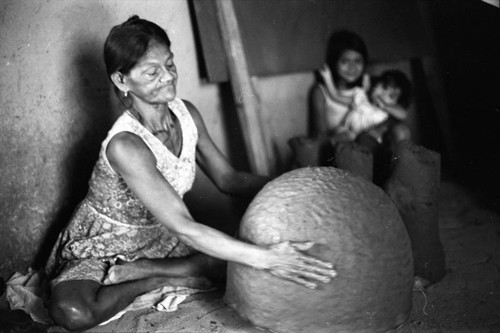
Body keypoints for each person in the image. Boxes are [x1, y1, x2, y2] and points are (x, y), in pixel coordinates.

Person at [45, 16, 337, 331]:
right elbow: (184, 227)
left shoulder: (187, 115)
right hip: (107, 243)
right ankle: (153, 278)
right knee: (74, 312)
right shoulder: (126, 145)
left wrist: (298, 184)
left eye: (170, 65)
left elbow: (229, 179)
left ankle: (155, 269)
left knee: (237, 258)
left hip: (163, 238)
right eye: (152, 72)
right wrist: (270, 258)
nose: (168, 78)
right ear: (121, 80)